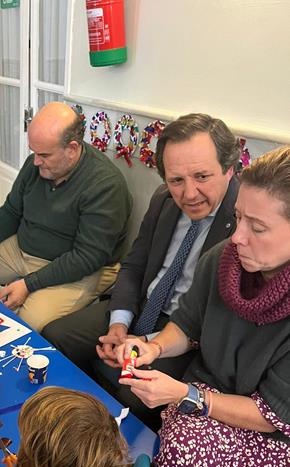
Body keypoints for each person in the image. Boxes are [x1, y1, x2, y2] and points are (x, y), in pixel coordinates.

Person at [116, 146, 290, 467]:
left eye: (258, 227)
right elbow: (188, 324)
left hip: (274, 430)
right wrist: (153, 346)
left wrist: (187, 397)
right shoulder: (222, 261)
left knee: (190, 453)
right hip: (210, 398)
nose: (238, 237)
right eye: (238, 218)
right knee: (187, 445)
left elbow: (272, 414)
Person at [43, 113, 240, 431]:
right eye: (176, 180)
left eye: (202, 176)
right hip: (143, 306)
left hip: (188, 331)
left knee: (135, 394)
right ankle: (69, 424)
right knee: (56, 336)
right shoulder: (163, 199)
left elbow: (218, 317)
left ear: (229, 169)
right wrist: (119, 326)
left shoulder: (244, 221)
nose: (189, 194)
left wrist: (146, 340)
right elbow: (134, 266)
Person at [0, 102, 132, 332]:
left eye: (44, 155)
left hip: (78, 270)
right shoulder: (36, 164)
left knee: (29, 322)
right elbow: (12, 210)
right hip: (22, 250)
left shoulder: (105, 185)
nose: (35, 162)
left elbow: (87, 258)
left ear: (72, 149)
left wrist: (29, 284)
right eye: (34, 152)